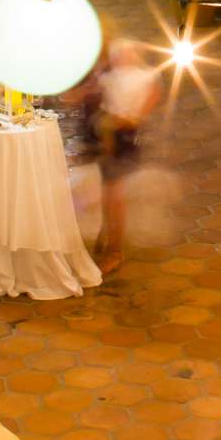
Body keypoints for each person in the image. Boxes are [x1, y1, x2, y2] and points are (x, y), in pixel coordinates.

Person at [91, 39, 160, 275]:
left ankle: (115, 251)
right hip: (107, 136)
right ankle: (107, 231)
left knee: (115, 194)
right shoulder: (108, 77)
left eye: (125, 54)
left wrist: (127, 119)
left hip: (125, 139)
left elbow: (142, 112)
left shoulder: (145, 77)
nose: (120, 58)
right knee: (107, 189)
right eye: (117, 55)